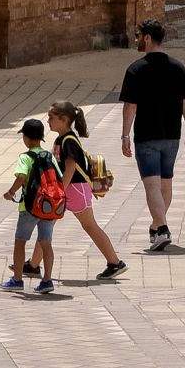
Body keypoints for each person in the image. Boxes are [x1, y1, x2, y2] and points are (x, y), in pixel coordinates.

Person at [119, 19, 185, 254]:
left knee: (152, 186)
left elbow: (130, 106)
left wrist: (124, 135)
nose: (135, 40)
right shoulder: (178, 67)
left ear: (148, 38)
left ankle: (162, 230)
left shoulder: (135, 69)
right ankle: (156, 227)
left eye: (138, 35)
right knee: (165, 185)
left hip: (147, 136)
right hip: (172, 135)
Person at [46, 100, 125, 279]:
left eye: (51, 117)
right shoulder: (62, 139)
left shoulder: (68, 140)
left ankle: (115, 262)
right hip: (71, 188)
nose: (48, 121)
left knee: (89, 226)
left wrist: (59, 191)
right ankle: (33, 265)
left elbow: (70, 167)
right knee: (47, 224)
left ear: (63, 119)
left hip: (74, 189)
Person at [0, 117, 60, 293]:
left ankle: (17, 279)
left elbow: (21, 177)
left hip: (29, 207)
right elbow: (59, 178)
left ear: (25, 137)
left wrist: (10, 192)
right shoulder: (49, 155)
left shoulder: (25, 157)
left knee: (20, 242)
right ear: (41, 137)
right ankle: (47, 280)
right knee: (46, 243)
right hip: (48, 206)